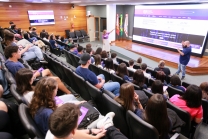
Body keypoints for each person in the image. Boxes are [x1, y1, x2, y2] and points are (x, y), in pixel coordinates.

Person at [45, 103, 128, 139]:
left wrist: (92, 133)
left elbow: (74, 134)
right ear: (73, 130)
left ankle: (108, 126)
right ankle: (108, 126)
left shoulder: (53, 129)